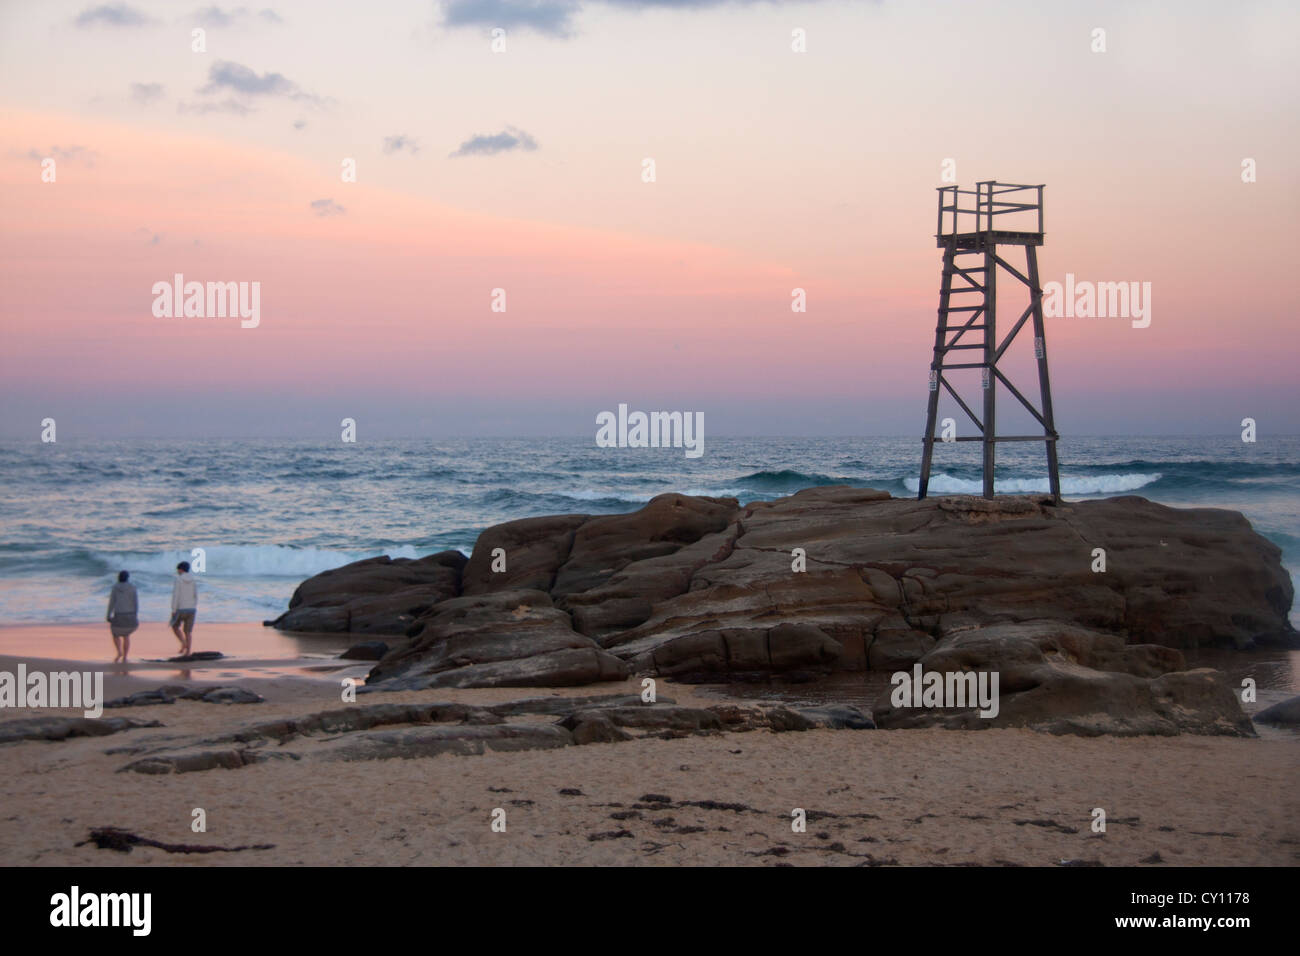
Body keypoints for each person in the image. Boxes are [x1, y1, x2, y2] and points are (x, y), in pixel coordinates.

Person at [106, 570, 139, 662]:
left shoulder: (115, 588)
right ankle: (125, 656)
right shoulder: (133, 588)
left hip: (119, 615)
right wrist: (135, 615)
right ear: (127, 578)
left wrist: (108, 615)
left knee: (115, 634)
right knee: (126, 635)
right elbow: (135, 602)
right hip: (130, 615)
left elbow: (111, 603)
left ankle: (119, 652)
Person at [170, 561, 198, 657]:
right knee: (188, 632)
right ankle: (188, 651)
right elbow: (195, 595)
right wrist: (194, 605)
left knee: (175, 626)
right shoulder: (193, 579)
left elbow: (176, 595)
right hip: (192, 609)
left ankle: (183, 643)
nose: (177, 571)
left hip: (181, 608)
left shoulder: (179, 579)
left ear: (181, 569)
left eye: (178, 569)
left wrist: (173, 610)